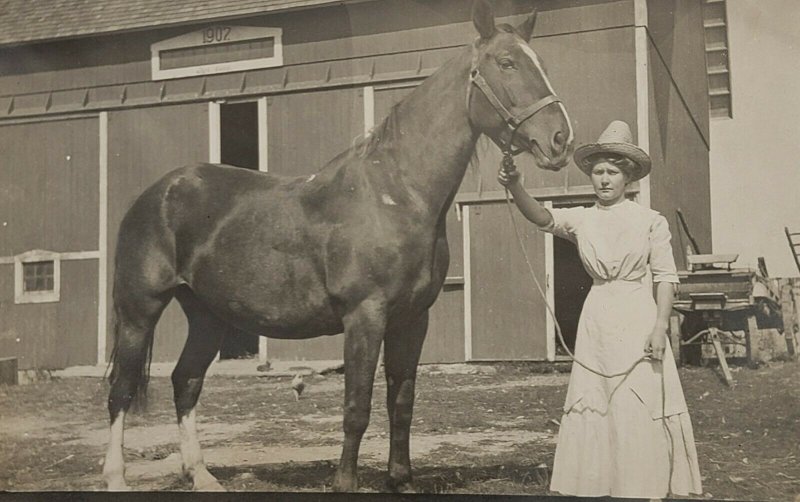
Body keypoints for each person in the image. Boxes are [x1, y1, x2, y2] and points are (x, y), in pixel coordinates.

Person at [497, 120, 702, 498]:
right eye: (597, 172)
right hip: (598, 316)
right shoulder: (583, 218)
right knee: (597, 397)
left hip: (638, 315)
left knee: (635, 398)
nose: (604, 179)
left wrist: (659, 327)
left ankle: (641, 484)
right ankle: (597, 481)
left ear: (627, 177)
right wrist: (514, 186)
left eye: (612, 172)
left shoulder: (649, 221)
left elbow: (666, 277)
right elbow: (543, 217)